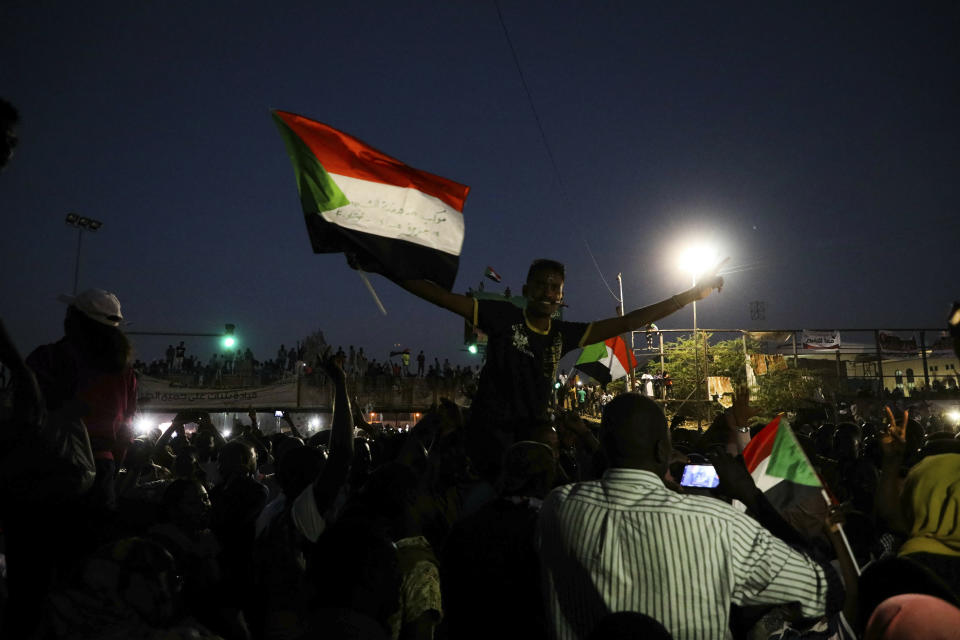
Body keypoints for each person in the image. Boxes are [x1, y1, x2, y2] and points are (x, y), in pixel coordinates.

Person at [536, 393, 842, 640]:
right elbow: (823, 590)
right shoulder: (717, 523)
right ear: (661, 451)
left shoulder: (557, 507)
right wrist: (752, 498)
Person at [400, 258, 723, 441]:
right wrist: (386, 266)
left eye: (555, 287)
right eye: (541, 285)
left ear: (561, 297)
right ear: (526, 290)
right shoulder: (501, 315)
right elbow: (439, 297)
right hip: (489, 432)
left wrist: (690, 296)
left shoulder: (563, 334)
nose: (548, 292)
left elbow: (627, 323)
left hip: (536, 435)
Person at [27, 288, 136, 511]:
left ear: (75, 320)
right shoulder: (125, 372)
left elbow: (26, 414)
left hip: (52, 467)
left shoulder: (48, 358)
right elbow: (126, 430)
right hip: (102, 468)